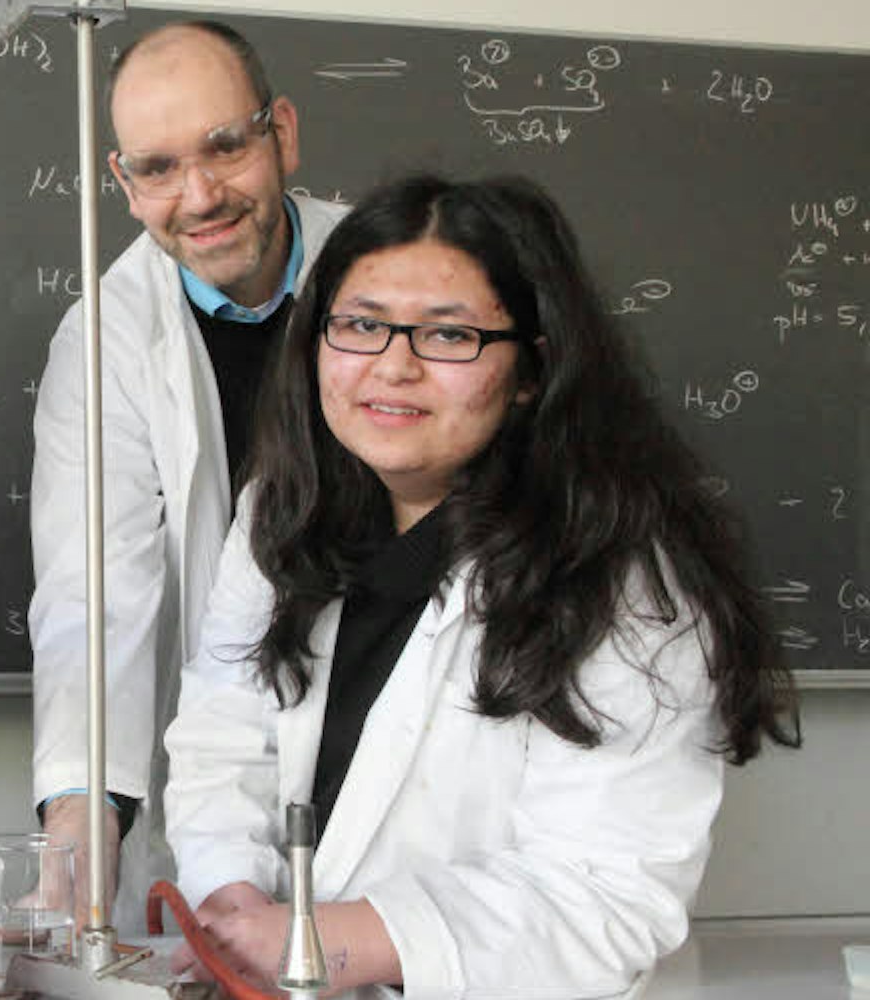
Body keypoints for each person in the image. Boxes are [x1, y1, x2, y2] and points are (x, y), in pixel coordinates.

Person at [162, 174, 801, 996]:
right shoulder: (282, 511)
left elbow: (606, 895)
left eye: (448, 335)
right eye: (361, 325)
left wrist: (324, 942)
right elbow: (225, 727)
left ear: (532, 368)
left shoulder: (625, 584)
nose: (393, 367)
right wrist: (232, 896)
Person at [27, 19, 350, 927]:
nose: (200, 195)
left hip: (392, 727)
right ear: (124, 183)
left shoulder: (387, 277)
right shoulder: (106, 338)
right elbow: (94, 592)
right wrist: (82, 818)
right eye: (159, 168)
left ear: (282, 133)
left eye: (225, 147)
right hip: (220, 760)